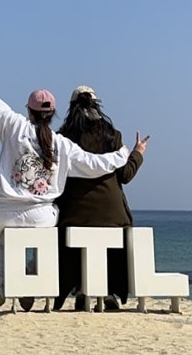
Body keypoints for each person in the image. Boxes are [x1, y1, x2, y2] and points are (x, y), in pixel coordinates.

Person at [0, 53, 131, 317]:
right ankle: (30, 276)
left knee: (1, 241)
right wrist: (122, 155)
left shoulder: (13, 125)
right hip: (41, 216)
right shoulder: (62, 145)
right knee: (46, 237)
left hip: (4, 212)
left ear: (29, 110)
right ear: (52, 114)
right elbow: (94, 164)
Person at [54, 85, 148, 311]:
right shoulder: (112, 136)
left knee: (68, 236)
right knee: (112, 240)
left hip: (75, 213)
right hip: (111, 214)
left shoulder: (63, 138)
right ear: (97, 105)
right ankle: (107, 291)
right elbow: (125, 175)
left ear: (71, 107)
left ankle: (80, 288)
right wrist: (138, 153)